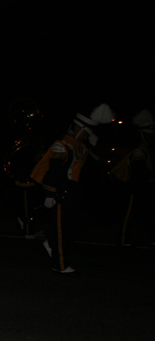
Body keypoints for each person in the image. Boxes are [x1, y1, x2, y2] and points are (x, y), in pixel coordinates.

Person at [30, 103, 114, 274]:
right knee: (61, 229)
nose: (87, 135)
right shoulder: (62, 144)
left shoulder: (80, 146)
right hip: (61, 190)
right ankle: (59, 265)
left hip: (74, 190)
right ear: (78, 128)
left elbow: (91, 166)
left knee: (82, 223)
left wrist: (95, 146)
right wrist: (49, 194)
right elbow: (53, 171)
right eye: (86, 132)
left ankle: (51, 244)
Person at [109, 109, 153, 247]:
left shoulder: (147, 150)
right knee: (129, 215)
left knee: (148, 214)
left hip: (143, 188)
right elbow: (139, 167)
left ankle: (150, 237)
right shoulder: (139, 151)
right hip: (134, 188)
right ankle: (124, 239)